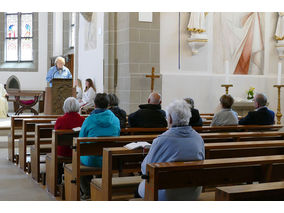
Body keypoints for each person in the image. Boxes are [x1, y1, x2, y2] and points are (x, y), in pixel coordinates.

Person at [137, 99, 205, 201]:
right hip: (192, 192)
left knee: (141, 187)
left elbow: (146, 170)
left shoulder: (161, 140)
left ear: (170, 119)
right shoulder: (198, 138)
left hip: (166, 193)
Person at [79, 93, 120, 199]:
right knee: (100, 157)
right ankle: (101, 187)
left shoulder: (89, 120)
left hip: (91, 160)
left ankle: (87, 192)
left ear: (95, 104)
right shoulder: (115, 120)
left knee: (79, 158)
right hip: (109, 158)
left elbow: (81, 140)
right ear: (108, 105)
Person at [54, 97, 85, 184]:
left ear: (65, 107)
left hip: (63, 152)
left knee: (56, 152)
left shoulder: (60, 120)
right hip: (78, 151)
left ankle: (58, 179)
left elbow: (55, 136)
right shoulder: (83, 120)